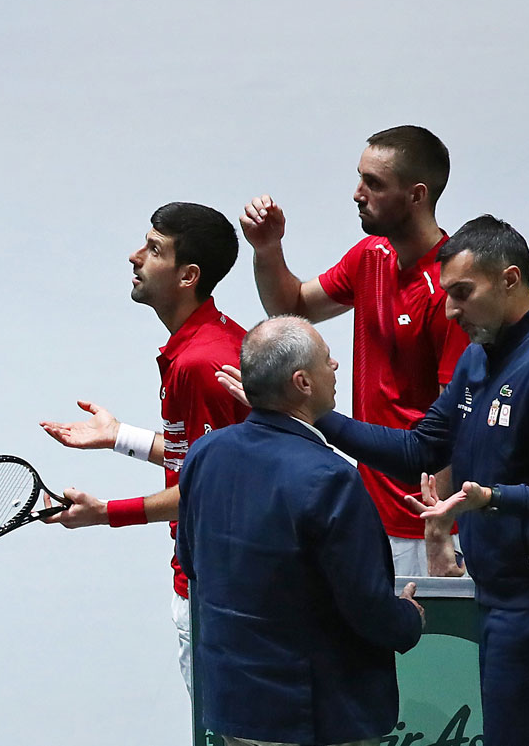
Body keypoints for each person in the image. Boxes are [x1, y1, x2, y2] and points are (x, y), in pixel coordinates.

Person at [313, 215, 529, 746]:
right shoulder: (477, 361)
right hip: (496, 601)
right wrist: (316, 418)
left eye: (463, 293)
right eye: (447, 294)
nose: (450, 310)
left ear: (510, 279)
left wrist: (493, 498)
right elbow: (418, 450)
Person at [235, 126, 470, 577]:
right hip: (368, 509)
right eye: (360, 178)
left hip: (419, 523)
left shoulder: (449, 290)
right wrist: (268, 250)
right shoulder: (370, 256)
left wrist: (438, 526)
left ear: (417, 195)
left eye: (374, 184)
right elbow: (292, 307)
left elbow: (456, 425)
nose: (358, 194)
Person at [178, 315, 423, 746]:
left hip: (234, 706)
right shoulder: (329, 478)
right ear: (302, 383)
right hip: (312, 714)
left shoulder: (204, 455)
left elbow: (194, 564)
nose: (336, 368)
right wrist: (407, 619)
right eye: (327, 361)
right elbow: (364, 604)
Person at [37, 202, 249, 692]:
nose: (135, 257)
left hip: (218, 590)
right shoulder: (219, 340)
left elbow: (205, 491)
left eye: (154, 250)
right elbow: (213, 458)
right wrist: (120, 438)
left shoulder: (201, 365)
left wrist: (104, 512)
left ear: (187, 276)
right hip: (233, 583)